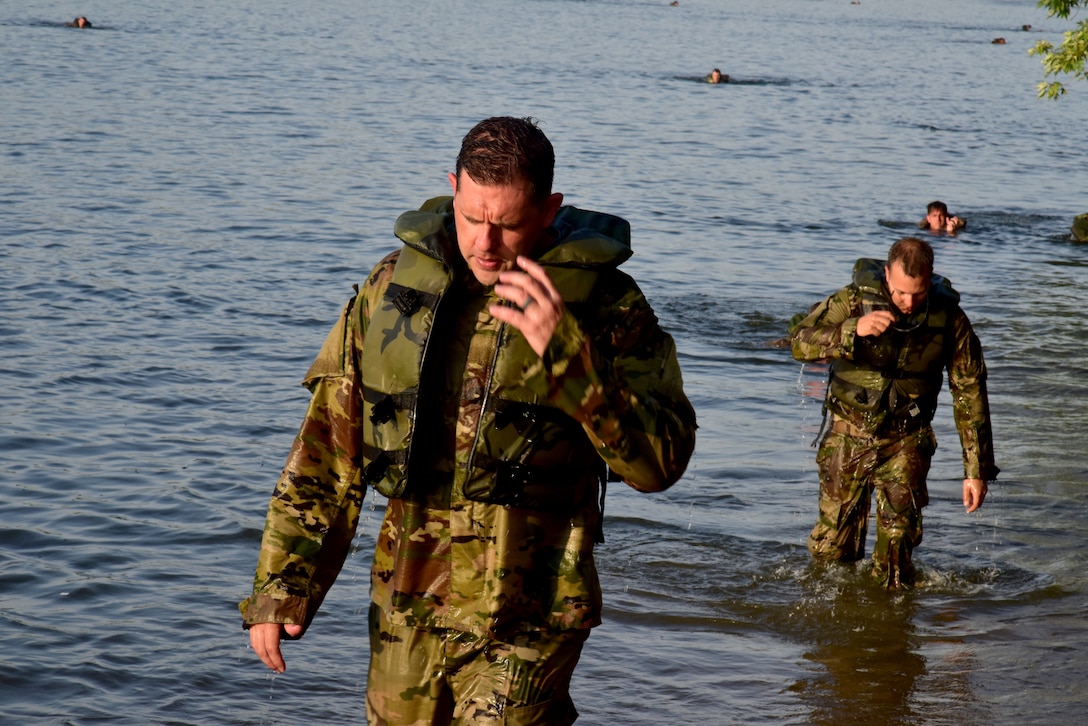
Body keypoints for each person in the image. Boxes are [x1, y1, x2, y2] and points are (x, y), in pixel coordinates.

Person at [240, 116, 697, 724]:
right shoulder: (391, 291)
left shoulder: (607, 309)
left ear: (548, 208)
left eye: (507, 224)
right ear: (452, 187)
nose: (485, 242)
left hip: (532, 621)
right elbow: (328, 445)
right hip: (407, 607)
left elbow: (660, 465)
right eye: (472, 216)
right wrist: (284, 584)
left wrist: (574, 363)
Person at [789, 237, 998, 589]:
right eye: (901, 293)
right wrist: (852, 330)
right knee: (832, 553)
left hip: (907, 440)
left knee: (897, 552)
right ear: (886, 274)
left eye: (917, 294)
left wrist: (976, 470)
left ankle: (893, 629)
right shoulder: (853, 300)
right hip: (848, 436)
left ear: (930, 278)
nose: (908, 302)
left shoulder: (950, 320)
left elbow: (970, 391)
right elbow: (799, 342)